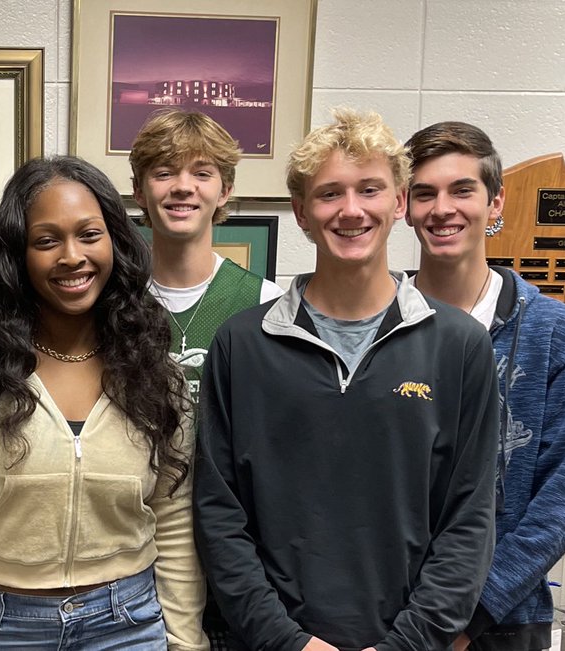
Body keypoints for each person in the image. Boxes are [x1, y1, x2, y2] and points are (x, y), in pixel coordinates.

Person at [194, 108, 500, 651]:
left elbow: (469, 519)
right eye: (330, 193)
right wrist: (286, 641)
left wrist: (408, 642)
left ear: (399, 202)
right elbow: (219, 515)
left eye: (371, 189)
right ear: (301, 213)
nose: (351, 210)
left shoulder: (458, 346)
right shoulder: (241, 345)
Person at [0, 156, 208, 650]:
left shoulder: (155, 370)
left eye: (89, 234)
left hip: (126, 624)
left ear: (116, 243)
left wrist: (186, 640)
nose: (72, 256)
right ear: (17, 255)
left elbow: (172, 518)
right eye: (46, 240)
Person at [405, 121, 565, 651]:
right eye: (425, 193)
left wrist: (471, 615)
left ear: (495, 204)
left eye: (462, 190)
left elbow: (564, 499)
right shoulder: (377, 323)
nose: (443, 209)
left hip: (503, 620)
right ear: (405, 207)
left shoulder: (553, 332)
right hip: (389, 618)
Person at [129, 109, 283, 404]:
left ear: (224, 190)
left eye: (201, 174)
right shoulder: (117, 297)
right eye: (164, 173)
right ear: (139, 190)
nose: (183, 187)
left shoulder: (265, 301)